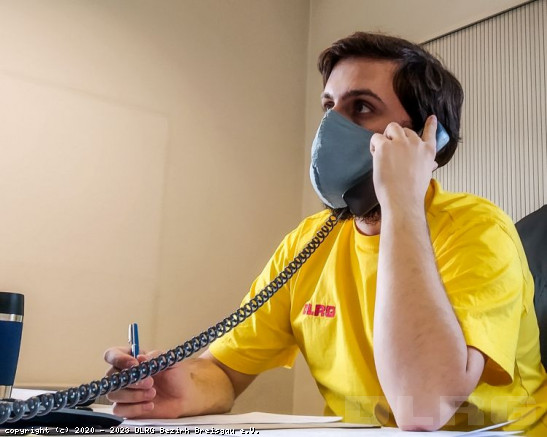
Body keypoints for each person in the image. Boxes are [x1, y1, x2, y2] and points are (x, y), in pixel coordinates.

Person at [104, 32, 547, 434]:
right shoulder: (308, 242)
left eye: (361, 107)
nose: (330, 129)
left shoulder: (477, 230)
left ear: (428, 139)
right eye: (328, 107)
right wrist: (178, 389)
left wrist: (402, 202)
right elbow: (225, 371)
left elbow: (423, 408)